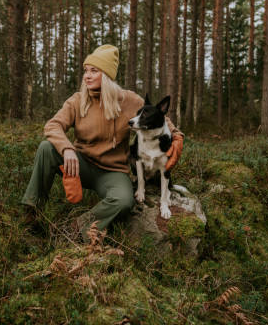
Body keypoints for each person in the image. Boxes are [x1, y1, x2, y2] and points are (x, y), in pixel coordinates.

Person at [21, 44, 184, 240]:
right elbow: (52, 126)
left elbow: (158, 116)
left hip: (113, 172)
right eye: (86, 71)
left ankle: (77, 229)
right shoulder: (77, 100)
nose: (87, 76)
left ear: (106, 75)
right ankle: (32, 214)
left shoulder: (129, 100)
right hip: (80, 165)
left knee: (124, 201)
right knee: (46, 148)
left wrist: (177, 136)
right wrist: (67, 149)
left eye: (94, 71)